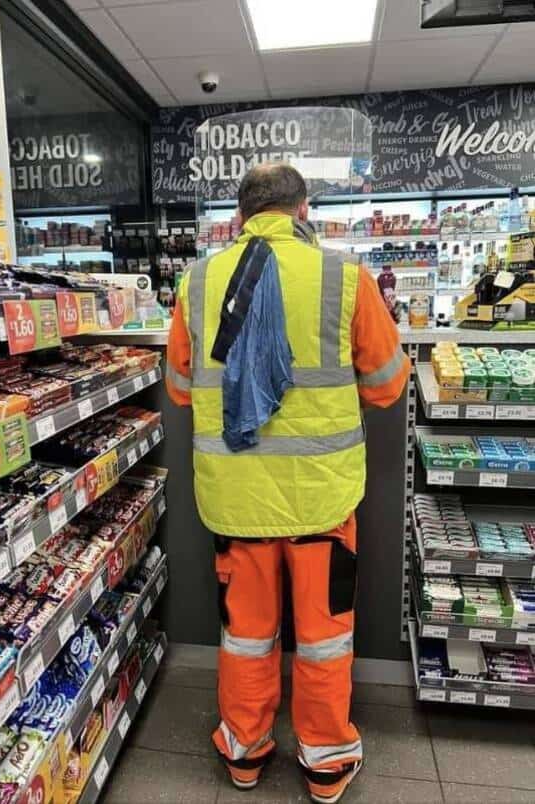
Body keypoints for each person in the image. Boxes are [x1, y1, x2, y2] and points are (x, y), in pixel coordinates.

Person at [166, 163, 410, 804]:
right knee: (325, 638)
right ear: (303, 211)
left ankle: (244, 753)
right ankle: (325, 763)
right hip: (321, 500)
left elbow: (180, 388)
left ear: (240, 217)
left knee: (246, 636)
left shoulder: (198, 281)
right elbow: (388, 385)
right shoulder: (345, 276)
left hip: (237, 499)